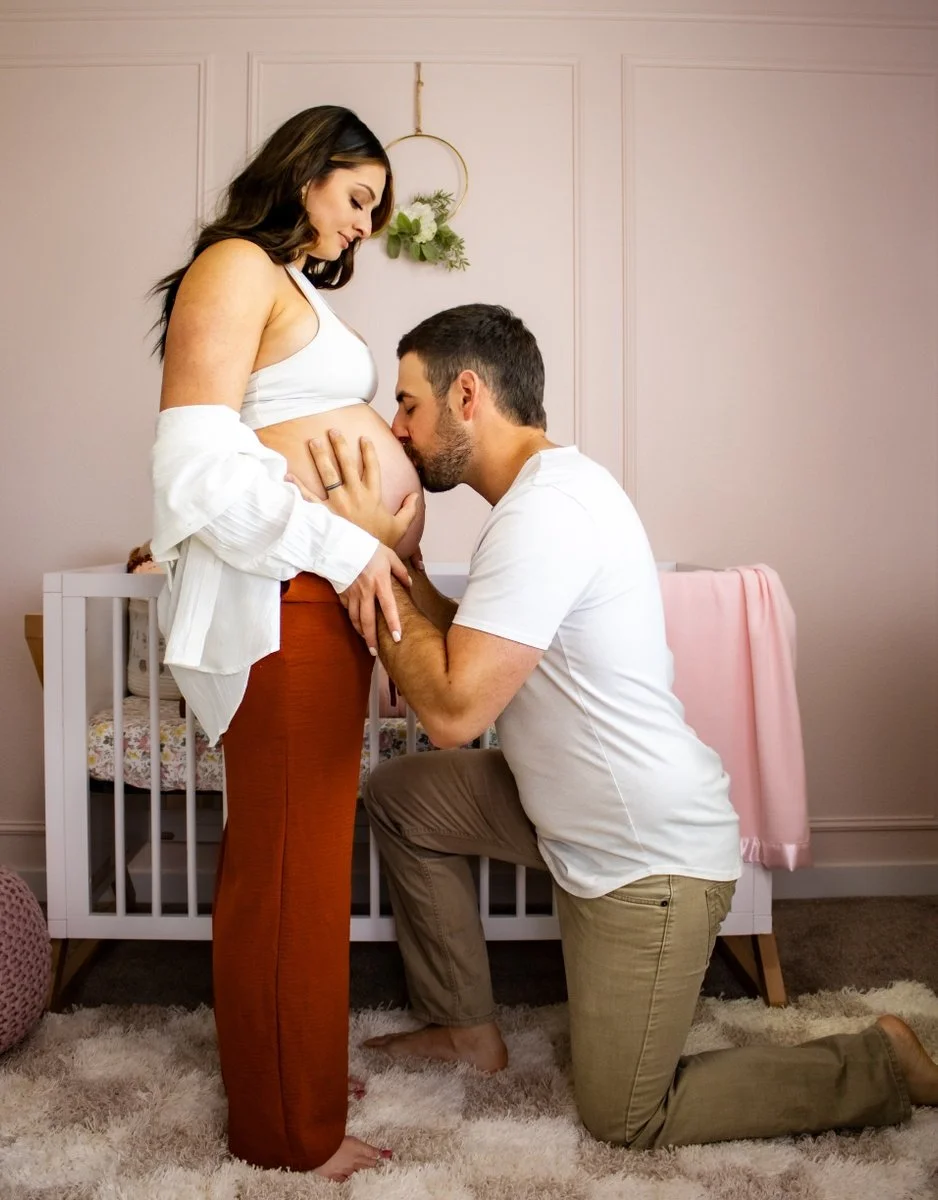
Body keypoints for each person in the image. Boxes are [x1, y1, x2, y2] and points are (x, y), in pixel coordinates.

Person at [302, 302, 938, 1149]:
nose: (397, 426)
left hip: (647, 857)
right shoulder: (541, 498)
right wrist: (406, 567)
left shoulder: (546, 514)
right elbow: (474, 643)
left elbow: (455, 712)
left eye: (409, 403)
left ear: (466, 395)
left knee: (629, 1116)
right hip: (565, 805)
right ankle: (464, 1024)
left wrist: (362, 562)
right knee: (402, 795)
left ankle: (880, 1061)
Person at [148, 106, 423, 1181]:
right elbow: (194, 464)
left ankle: (287, 1073)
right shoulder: (234, 264)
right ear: (306, 172)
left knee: (305, 864)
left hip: (312, 592)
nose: (366, 225)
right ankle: (286, 1132)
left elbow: (263, 435)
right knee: (288, 870)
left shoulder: (289, 287)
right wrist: (343, 546)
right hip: (289, 595)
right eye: (358, 197)